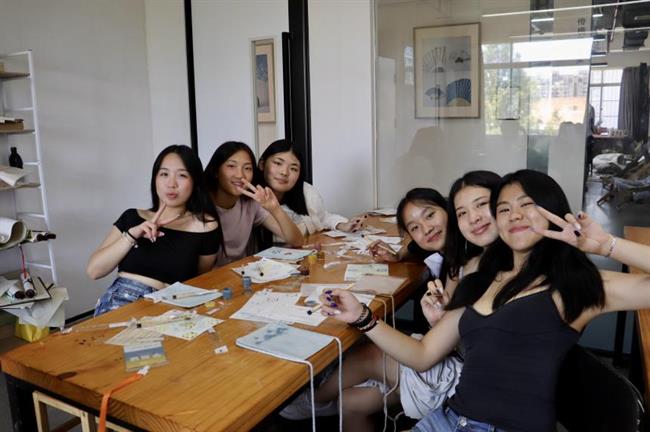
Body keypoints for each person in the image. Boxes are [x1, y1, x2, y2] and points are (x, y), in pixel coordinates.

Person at [319, 169, 650, 432]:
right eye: (503, 209)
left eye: (525, 205)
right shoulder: (482, 279)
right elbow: (422, 355)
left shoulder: (575, 286)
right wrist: (361, 316)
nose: (513, 215)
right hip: (449, 419)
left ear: (550, 209)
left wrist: (606, 245)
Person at [280, 172, 501, 430]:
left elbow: (426, 354)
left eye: (430, 215)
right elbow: (416, 248)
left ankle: (315, 401)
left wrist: (362, 316)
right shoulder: (461, 259)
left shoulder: (479, 266)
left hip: (468, 381)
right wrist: (398, 257)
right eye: (414, 227)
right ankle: (327, 395)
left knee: (369, 354)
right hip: (454, 357)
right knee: (350, 402)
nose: (426, 229)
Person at [88, 145, 222, 316]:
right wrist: (132, 235)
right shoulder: (132, 217)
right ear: (155, 179)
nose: (171, 184)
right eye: (164, 174)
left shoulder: (206, 226)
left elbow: (199, 277)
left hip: (173, 309)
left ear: (195, 182)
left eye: (182, 175)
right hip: (124, 301)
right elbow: (94, 271)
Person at [204, 141, 304, 266]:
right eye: (231, 166)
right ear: (216, 171)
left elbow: (297, 241)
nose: (240, 175)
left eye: (247, 168)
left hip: (240, 272)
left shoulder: (251, 203)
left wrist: (275, 209)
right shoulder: (200, 204)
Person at [258, 139, 365, 237]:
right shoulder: (252, 202)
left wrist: (344, 225)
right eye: (278, 163)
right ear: (262, 164)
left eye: (293, 169)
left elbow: (323, 217)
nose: (284, 172)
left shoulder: (306, 191)